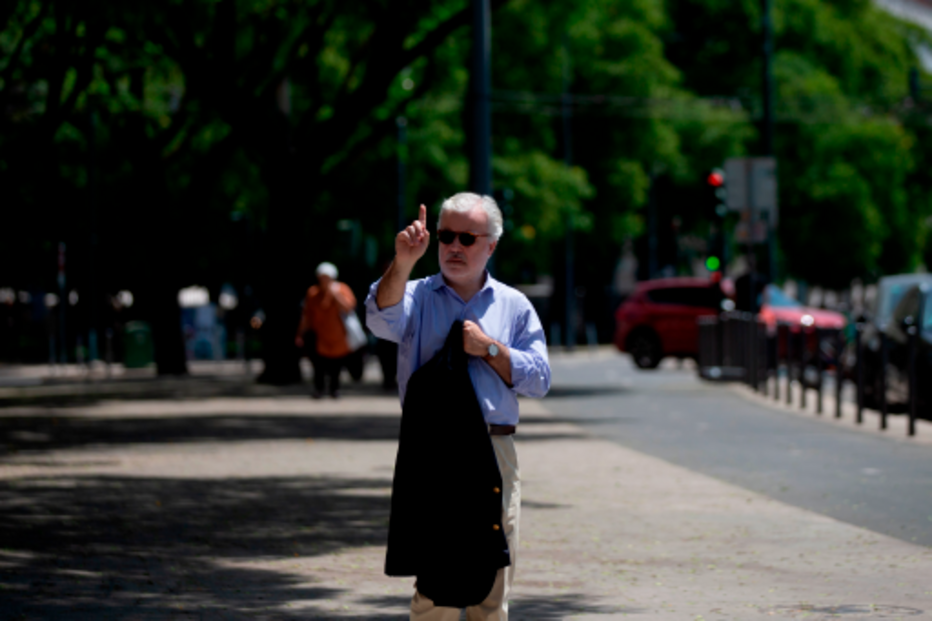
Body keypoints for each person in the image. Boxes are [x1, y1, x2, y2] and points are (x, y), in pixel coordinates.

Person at [366, 193, 551, 620]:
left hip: (493, 450)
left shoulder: (514, 305)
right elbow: (378, 318)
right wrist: (403, 261)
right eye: (446, 236)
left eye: (467, 238)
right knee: (437, 591)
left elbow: (540, 379)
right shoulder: (415, 295)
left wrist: (490, 348)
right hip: (433, 452)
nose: (454, 246)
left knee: (491, 587)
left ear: (492, 245)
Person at [295, 262, 357, 398]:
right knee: (318, 364)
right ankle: (319, 389)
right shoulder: (313, 292)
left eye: (327, 277)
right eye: (322, 277)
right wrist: (300, 333)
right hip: (319, 335)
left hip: (338, 335)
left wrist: (335, 294)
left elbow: (348, 307)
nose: (324, 280)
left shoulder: (342, 289)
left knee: (336, 364)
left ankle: (335, 389)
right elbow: (307, 315)